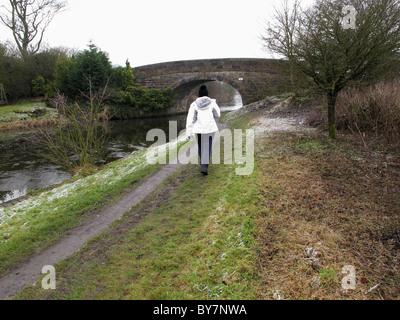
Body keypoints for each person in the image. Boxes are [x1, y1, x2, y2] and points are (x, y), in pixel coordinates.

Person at [186, 85, 221, 175]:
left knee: (201, 147)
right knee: (207, 147)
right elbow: (218, 114)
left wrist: (188, 132)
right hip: (210, 129)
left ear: (199, 95)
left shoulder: (194, 105)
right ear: (207, 94)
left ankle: (203, 164)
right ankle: (204, 166)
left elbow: (190, 119)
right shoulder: (212, 103)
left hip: (199, 129)